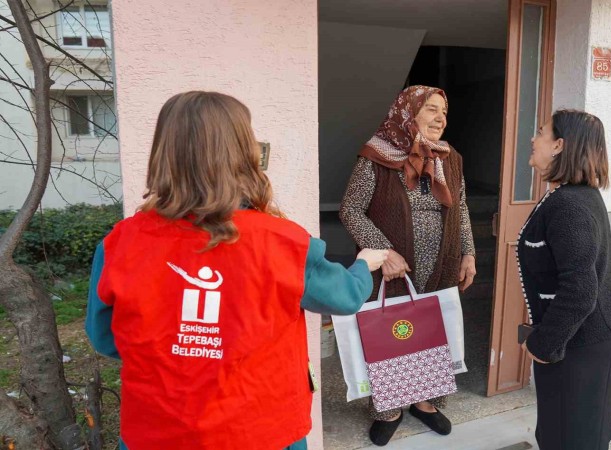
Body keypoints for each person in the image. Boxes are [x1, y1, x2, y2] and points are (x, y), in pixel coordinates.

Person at [84, 91, 388, 450]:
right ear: (244, 153)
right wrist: (364, 264)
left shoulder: (121, 243)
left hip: (157, 432)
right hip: (262, 431)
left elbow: (105, 338)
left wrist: (184, 350)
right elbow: (346, 297)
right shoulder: (283, 241)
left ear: (163, 155)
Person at [339, 85, 476, 446]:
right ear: (407, 112)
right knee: (393, 331)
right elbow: (350, 210)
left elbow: (459, 208)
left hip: (442, 260)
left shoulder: (450, 158)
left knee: (433, 331)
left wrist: (468, 252)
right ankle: (389, 409)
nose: (440, 118)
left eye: (444, 111)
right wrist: (382, 251)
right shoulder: (377, 155)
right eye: (431, 109)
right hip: (395, 266)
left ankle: (426, 402)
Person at [516, 109, 611, 449]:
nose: (533, 139)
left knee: (572, 435)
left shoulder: (570, 205)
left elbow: (580, 292)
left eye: (541, 132)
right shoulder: (572, 195)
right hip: (586, 333)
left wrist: (543, 344)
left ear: (559, 146)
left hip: (584, 340)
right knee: (566, 429)